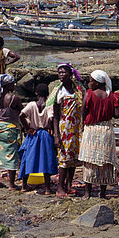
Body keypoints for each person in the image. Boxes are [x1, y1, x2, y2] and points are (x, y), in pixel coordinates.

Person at [79, 70, 119, 199]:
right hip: (106, 130)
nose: (89, 83)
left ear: (97, 82)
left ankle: (87, 193)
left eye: (91, 81)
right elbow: (118, 114)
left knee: (89, 161)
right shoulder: (112, 96)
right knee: (105, 162)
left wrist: (82, 126)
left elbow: (83, 112)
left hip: (91, 129)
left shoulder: (89, 94)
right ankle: (102, 193)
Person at [48, 63, 84, 198]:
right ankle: (60, 187)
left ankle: (69, 185)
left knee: (73, 159)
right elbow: (56, 115)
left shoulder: (78, 89)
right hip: (65, 129)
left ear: (71, 74)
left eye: (64, 72)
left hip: (76, 128)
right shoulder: (58, 91)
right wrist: (56, 135)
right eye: (59, 73)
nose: (61, 75)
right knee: (64, 159)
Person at [19, 83, 57, 194]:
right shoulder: (49, 105)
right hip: (45, 134)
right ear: (47, 94)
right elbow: (51, 119)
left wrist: (27, 129)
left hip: (33, 134)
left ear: (36, 93)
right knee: (46, 160)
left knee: (27, 158)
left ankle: (24, 186)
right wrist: (50, 129)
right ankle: (47, 189)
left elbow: (21, 115)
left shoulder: (31, 105)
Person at [0, 74, 23, 190]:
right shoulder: (13, 98)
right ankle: (11, 184)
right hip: (11, 128)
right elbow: (21, 111)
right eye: (12, 83)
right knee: (12, 155)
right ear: (7, 84)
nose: (14, 85)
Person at [0, 33, 20, 128]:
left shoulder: (4, 51)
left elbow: (16, 57)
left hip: (0, 79)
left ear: (0, 42)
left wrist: (7, 63)